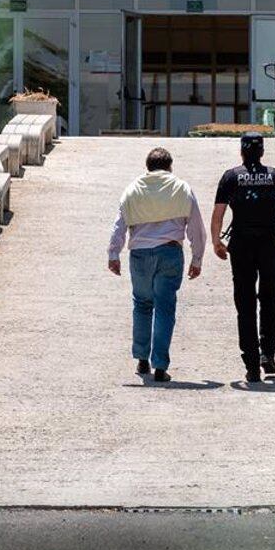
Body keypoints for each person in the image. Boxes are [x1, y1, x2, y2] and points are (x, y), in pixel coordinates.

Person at [210, 132, 275, 383]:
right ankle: (267, 353)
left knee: (244, 303)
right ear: (262, 152)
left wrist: (216, 241)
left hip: (241, 245)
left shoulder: (231, 177)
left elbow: (218, 212)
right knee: (269, 299)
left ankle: (251, 363)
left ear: (242, 152)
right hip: (270, 245)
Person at [107, 146, 205, 382]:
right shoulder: (182, 188)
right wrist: (197, 258)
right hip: (170, 252)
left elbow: (119, 224)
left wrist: (113, 254)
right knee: (164, 308)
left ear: (148, 167)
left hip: (140, 254)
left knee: (142, 304)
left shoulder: (133, 189)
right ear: (170, 166)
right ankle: (160, 365)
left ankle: (142, 359)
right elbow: (196, 227)